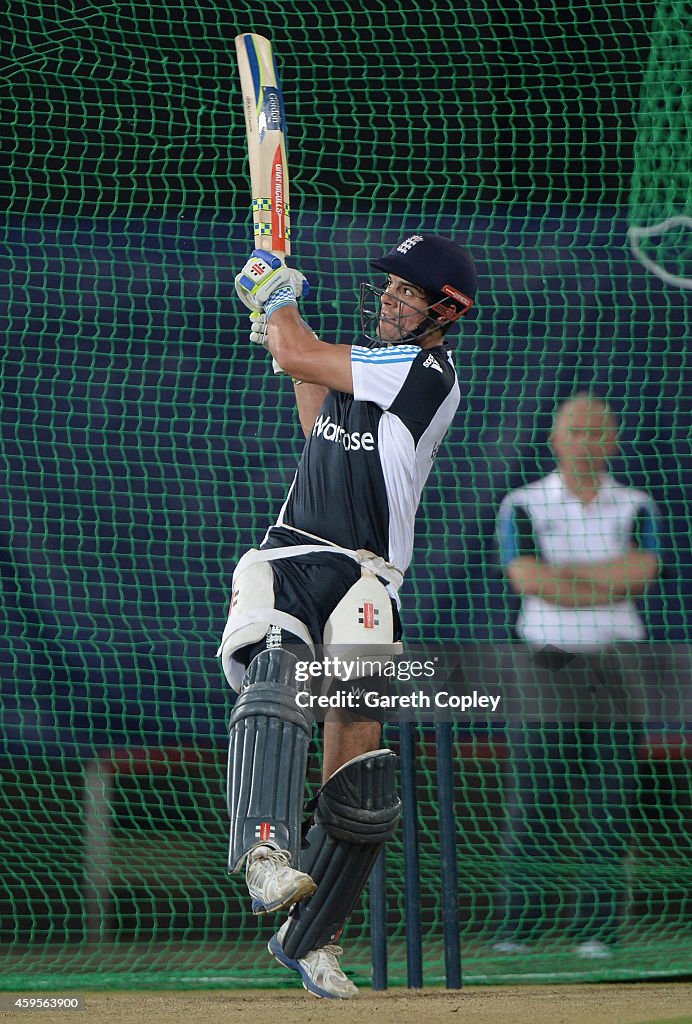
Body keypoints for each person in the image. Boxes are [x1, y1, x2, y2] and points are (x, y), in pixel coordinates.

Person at [217, 234, 477, 998]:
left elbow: (304, 354)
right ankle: (265, 856)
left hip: (368, 577)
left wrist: (277, 303)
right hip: (292, 554)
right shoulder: (368, 363)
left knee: (359, 776)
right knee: (276, 673)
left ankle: (311, 938)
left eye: (408, 292)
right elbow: (316, 421)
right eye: (389, 287)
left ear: (445, 312)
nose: (392, 299)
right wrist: (276, 333)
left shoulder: (424, 372)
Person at [494, 393, 664, 958]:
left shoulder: (637, 504)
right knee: (535, 798)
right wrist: (600, 581)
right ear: (555, 439)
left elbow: (641, 572)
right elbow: (527, 578)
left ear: (612, 441)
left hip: (618, 662)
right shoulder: (522, 503)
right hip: (544, 660)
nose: (585, 442)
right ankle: (520, 929)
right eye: (575, 432)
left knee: (608, 800)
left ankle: (597, 931)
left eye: (596, 433)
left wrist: (565, 573)